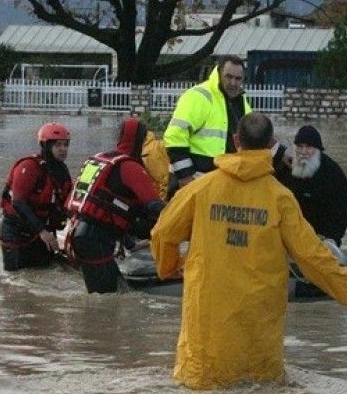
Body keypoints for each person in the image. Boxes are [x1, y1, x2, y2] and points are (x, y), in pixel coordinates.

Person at [150, 113, 347, 390]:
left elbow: (163, 233)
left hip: (207, 333)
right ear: (270, 145)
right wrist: (346, 286)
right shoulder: (281, 198)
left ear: (236, 141)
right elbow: (310, 254)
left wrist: (168, 267)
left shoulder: (201, 189)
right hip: (259, 336)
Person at [65, 117, 165, 293]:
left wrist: (131, 243)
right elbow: (154, 205)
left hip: (78, 235)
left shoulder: (99, 159)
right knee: (108, 299)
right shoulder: (130, 167)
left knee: (109, 294)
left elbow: (96, 202)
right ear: (140, 140)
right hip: (96, 241)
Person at [163, 55, 252, 189]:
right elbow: (175, 137)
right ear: (219, 73)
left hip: (223, 184)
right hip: (192, 181)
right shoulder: (198, 96)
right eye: (228, 77)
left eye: (238, 78)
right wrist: (185, 176)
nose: (233, 82)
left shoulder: (242, 102)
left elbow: (253, 137)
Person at [0, 122, 72, 270]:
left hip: (41, 232)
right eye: (58, 145)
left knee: (47, 271)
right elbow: (18, 202)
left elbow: (67, 203)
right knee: (16, 280)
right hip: (16, 233)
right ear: (45, 146)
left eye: (65, 145)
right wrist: (42, 232)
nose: (63, 149)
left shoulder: (62, 171)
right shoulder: (29, 167)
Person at [276, 125, 347, 246]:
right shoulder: (286, 168)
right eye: (300, 146)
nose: (304, 152)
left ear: (318, 149)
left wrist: (328, 238)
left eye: (309, 147)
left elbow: (341, 215)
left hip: (321, 240)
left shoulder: (334, 175)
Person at [141, 127, 171, 200]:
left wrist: (162, 203)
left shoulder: (150, 151)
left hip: (161, 200)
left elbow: (164, 179)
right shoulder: (149, 148)